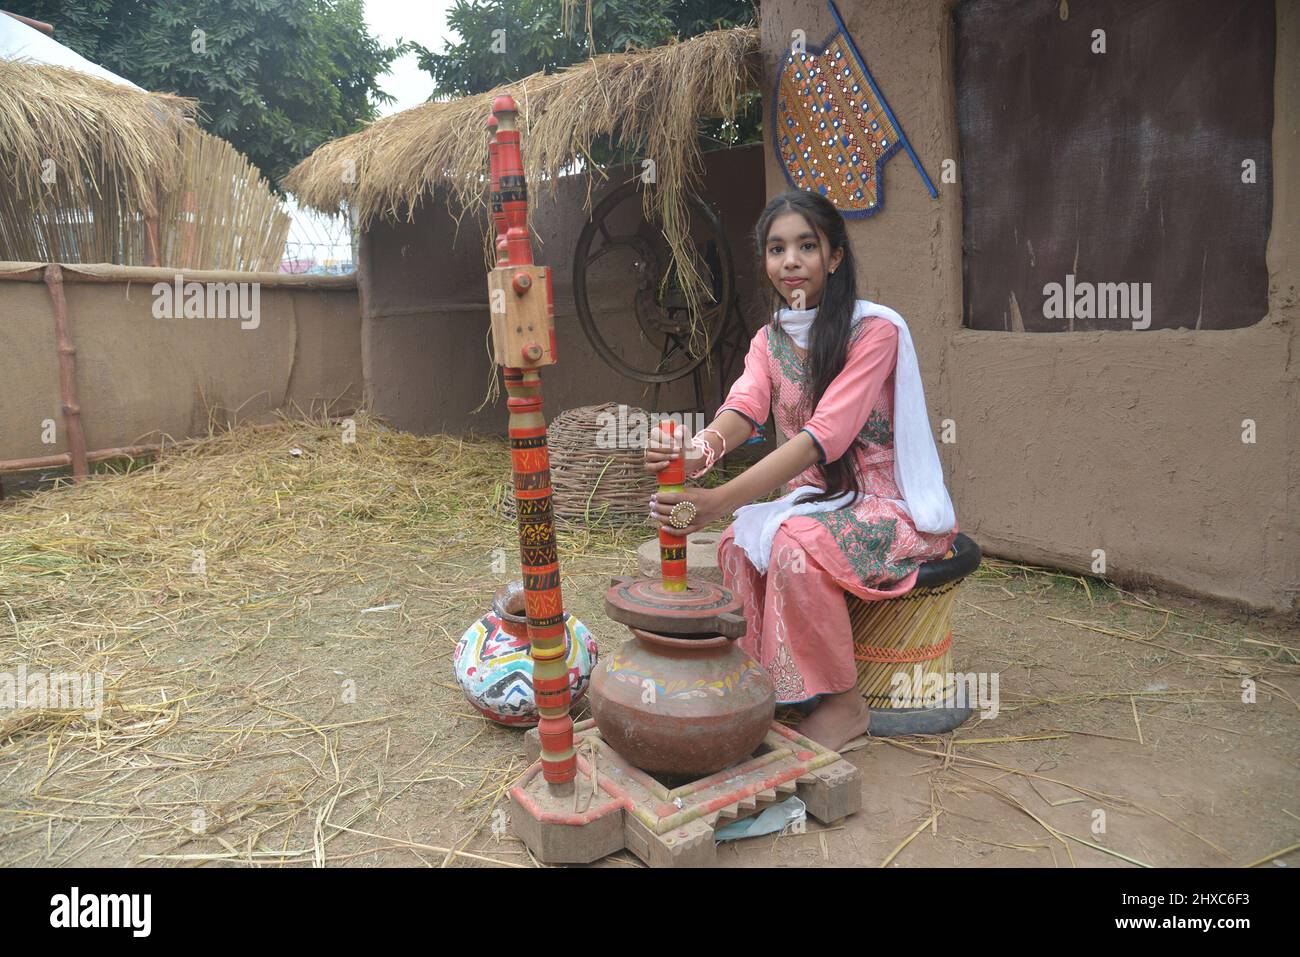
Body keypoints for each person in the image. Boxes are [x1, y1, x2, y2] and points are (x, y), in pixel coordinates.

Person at [644, 189, 958, 751]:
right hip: (818, 501)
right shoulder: (770, 340)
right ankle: (768, 688)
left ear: (834, 256)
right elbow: (744, 406)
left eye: (806, 246)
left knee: (791, 542)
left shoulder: (874, 332)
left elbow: (824, 439)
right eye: (776, 248)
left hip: (887, 505)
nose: (790, 260)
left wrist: (718, 500)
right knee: (740, 542)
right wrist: (699, 453)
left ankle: (842, 704)